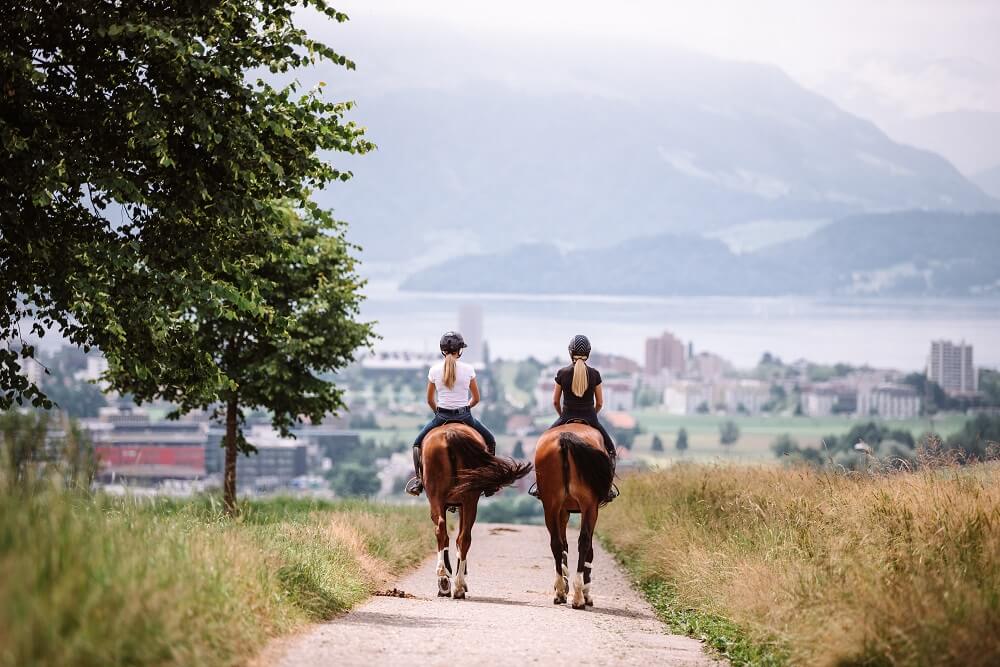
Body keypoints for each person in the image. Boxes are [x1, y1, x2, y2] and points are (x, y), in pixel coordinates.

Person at [405, 331, 497, 496]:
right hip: (465, 416)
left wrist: (438, 413)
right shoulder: (469, 369)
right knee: (490, 440)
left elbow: (429, 400)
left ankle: (419, 481)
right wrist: (465, 408)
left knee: (417, 444)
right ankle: (489, 482)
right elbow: (476, 398)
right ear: (459, 350)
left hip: (441, 416)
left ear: (442, 350)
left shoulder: (434, 370)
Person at [536, 334, 618, 501]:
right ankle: (608, 488)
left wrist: (562, 418)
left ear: (570, 352)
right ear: (588, 352)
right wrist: (591, 416)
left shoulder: (562, 373)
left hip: (566, 416)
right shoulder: (595, 374)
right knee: (610, 450)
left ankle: (539, 486)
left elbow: (555, 401)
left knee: (542, 445)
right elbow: (600, 403)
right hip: (590, 417)